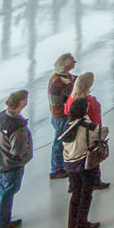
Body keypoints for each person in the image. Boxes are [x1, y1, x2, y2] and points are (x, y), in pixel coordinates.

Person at [0, 89, 32, 228]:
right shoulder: (17, 125)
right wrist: (23, 159)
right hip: (10, 166)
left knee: (2, 190)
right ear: (21, 102)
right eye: (25, 99)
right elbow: (18, 150)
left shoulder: (0, 117)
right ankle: (1, 224)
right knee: (8, 192)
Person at [59, 97, 103, 228]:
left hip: (70, 164)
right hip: (84, 164)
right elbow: (98, 135)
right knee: (86, 194)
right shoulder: (88, 126)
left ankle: (71, 226)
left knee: (76, 194)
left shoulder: (66, 126)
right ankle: (82, 224)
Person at [63, 73, 109, 190]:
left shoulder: (70, 98)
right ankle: (95, 182)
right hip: (89, 133)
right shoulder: (89, 101)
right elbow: (96, 117)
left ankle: (73, 184)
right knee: (92, 159)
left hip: (75, 135)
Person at [46, 53, 75, 181]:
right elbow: (57, 104)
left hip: (63, 115)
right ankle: (56, 169)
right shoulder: (57, 83)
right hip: (61, 116)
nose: (75, 63)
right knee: (59, 142)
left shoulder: (63, 77)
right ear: (66, 65)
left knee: (62, 141)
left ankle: (61, 165)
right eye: (73, 61)